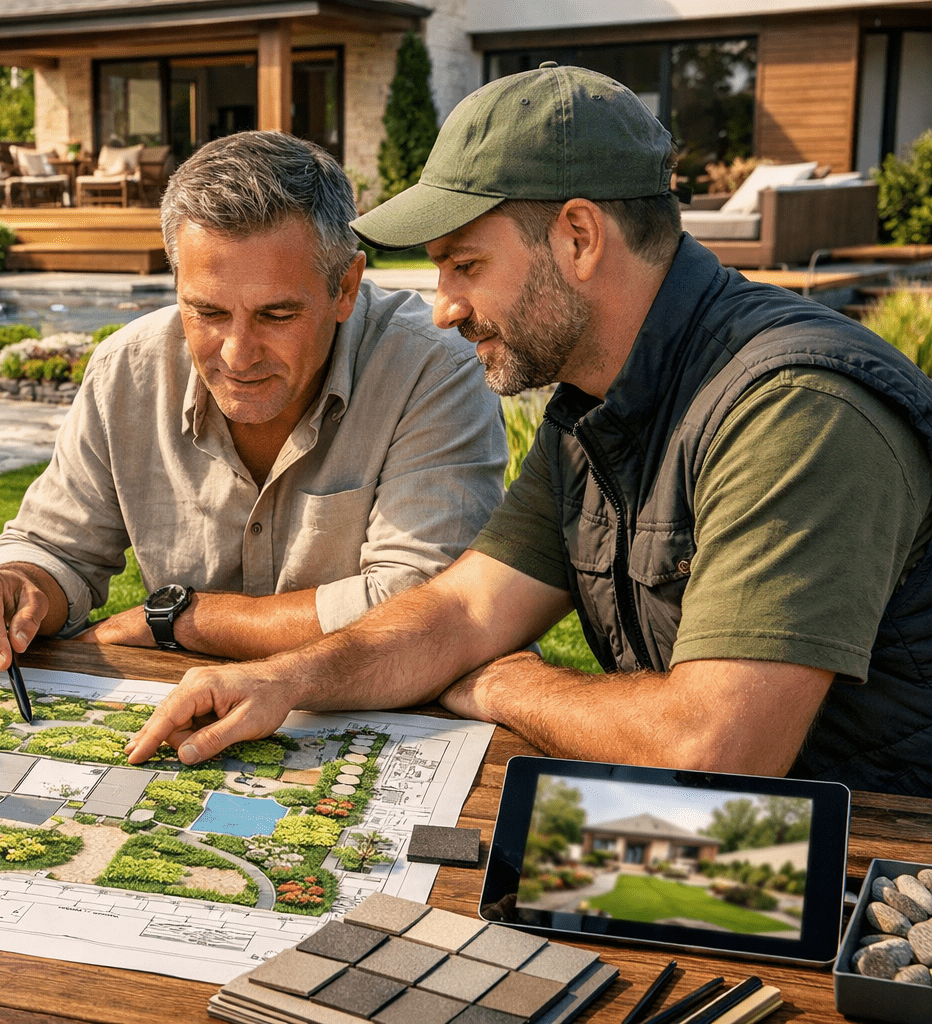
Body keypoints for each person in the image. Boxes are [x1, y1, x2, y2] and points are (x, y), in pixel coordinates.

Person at [126, 64, 932, 796]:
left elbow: (713, 747)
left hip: (881, 892)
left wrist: (506, 685)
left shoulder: (794, 409)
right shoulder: (598, 402)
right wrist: (284, 682)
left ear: (578, 238)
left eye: (464, 265)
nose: (443, 307)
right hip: (733, 844)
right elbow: (465, 613)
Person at [0, 131, 505, 669]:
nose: (236, 355)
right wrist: (16, 583)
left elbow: (423, 605)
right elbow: (57, 548)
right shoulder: (127, 370)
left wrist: (184, 621)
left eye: (277, 314)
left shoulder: (433, 370)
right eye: (206, 312)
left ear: (347, 287)